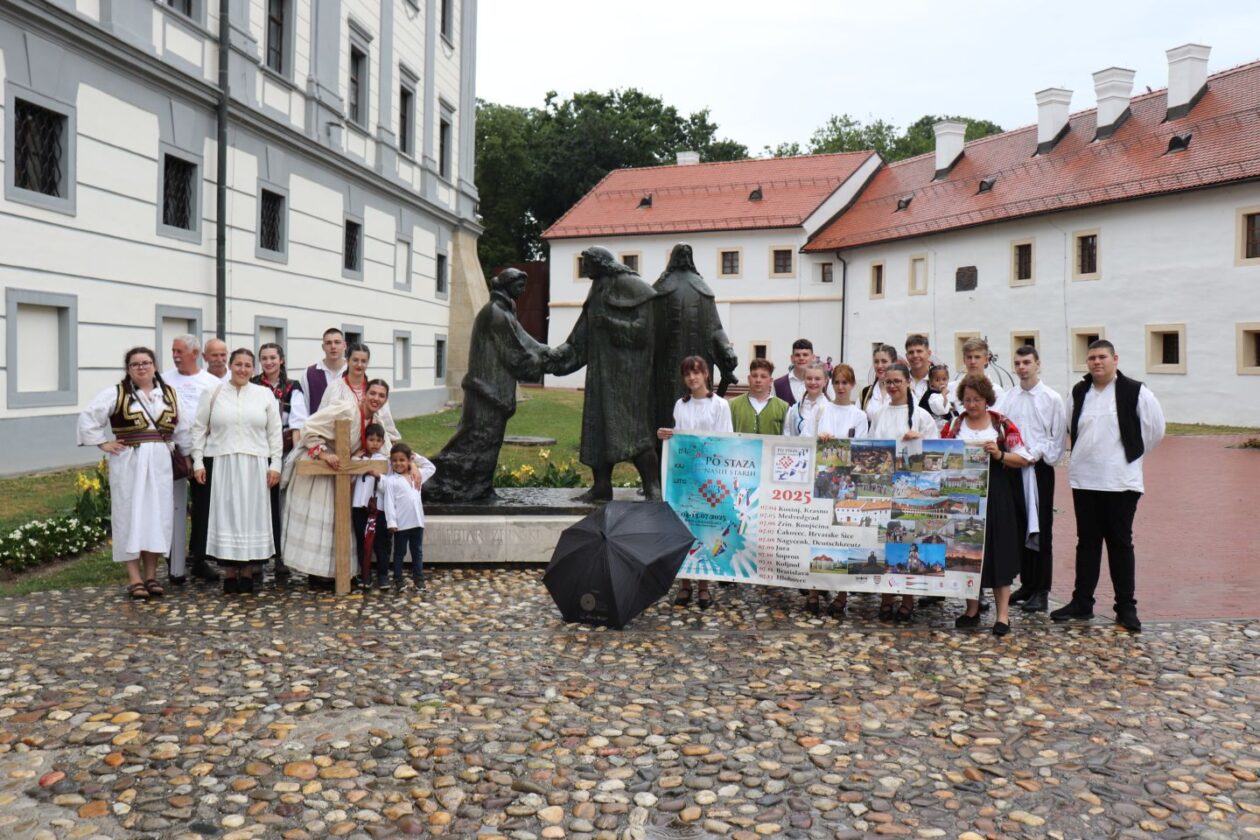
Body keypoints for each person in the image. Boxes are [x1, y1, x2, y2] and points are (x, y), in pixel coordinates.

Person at [1051, 340, 1165, 632]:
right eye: (1091, 358)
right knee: (1087, 543)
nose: (1096, 362)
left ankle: (1126, 607)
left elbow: (1155, 429)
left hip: (1120, 481)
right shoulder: (1079, 392)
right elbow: (1070, 426)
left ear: (1115, 359)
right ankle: (1082, 602)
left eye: (1102, 357)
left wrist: (1129, 456)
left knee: (1120, 543)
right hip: (1085, 479)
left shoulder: (1136, 392)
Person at [425, 268, 550, 502]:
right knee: (475, 442)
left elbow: (525, 341)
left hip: (492, 395)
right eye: (519, 285)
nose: (523, 289)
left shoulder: (505, 311)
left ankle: (478, 489)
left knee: (485, 443)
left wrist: (546, 352)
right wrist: (549, 361)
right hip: (486, 394)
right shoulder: (495, 313)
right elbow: (516, 353)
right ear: (506, 285)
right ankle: (439, 483)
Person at [77, 347, 191, 600]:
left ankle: (151, 576)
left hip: (160, 462)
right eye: (135, 364)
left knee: (157, 516)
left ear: (154, 366)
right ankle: (134, 578)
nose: (141, 367)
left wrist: (189, 456)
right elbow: (89, 417)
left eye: (146, 362)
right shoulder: (116, 393)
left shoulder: (169, 394)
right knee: (129, 515)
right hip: (129, 461)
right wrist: (102, 443)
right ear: (128, 369)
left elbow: (183, 429)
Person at [550, 246, 660, 502]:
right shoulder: (597, 287)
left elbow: (643, 332)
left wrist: (610, 323)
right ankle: (601, 486)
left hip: (627, 377)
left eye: (587, 262)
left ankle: (652, 487)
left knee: (634, 433)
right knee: (597, 430)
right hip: (600, 375)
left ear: (600, 262)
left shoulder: (633, 286)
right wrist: (558, 356)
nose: (583, 267)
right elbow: (583, 331)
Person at [282, 379, 398, 586]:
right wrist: (325, 454)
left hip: (344, 471)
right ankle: (317, 574)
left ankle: (337, 573)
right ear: (365, 394)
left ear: (386, 400)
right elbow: (309, 426)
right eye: (372, 393)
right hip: (322, 467)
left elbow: (389, 452)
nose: (376, 398)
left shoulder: (376, 422)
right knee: (323, 520)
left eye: (381, 396)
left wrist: (412, 465)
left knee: (341, 523)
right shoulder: (346, 410)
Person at [942, 374, 1032, 636]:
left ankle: (1002, 615)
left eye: (977, 400)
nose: (971, 405)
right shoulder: (955, 425)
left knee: (999, 550)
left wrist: (1000, 454)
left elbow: (1023, 458)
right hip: (964, 494)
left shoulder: (1001, 424)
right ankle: (971, 608)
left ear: (987, 400)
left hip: (997, 491)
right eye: (967, 400)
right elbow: (938, 454)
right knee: (967, 550)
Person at [192, 348, 283, 594]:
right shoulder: (213, 392)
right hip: (222, 462)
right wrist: (198, 461)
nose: (243, 369)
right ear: (230, 366)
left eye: (247, 365)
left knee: (251, 518)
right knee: (227, 517)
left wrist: (275, 464)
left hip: (256, 464)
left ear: (253, 369)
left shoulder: (264, 394)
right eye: (238, 364)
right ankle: (230, 572)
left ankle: (248, 571)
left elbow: (275, 432)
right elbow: (199, 428)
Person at [995, 345, 1067, 613]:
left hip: (1038, 469)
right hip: (1013, 466)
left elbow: (1057, 436)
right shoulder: (1009, 398)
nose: (1022, 368)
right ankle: (1027, 583)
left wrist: (1038, 454)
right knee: (1018, 526)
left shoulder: (1051, 398)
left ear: (1038, 364)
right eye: (1017, 363)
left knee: (1041, 527)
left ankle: (1042, 590)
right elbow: (1000, 427)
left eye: (1027, 362)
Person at [658, 356, 733, 610]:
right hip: (684, 477)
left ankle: (703, 585)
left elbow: (726, 440)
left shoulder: (720, 405)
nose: (692, 378)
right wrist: (665, 434)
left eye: (697, 372)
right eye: (687, 374)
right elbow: (678, 436)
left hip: (709, 478)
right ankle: (685, 583)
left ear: (706, 375)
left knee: (706, 529)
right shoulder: (681, 405)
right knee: (684, 528)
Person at [868, 363, 939, 623]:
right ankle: (886, 596)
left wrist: (919, 440)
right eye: (888, 382)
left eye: (897, 381)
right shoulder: (879, 413)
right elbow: (870, 445)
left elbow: (935, 453)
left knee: (908, 542)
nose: (892, 386)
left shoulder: (921, 416)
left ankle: (908, 598)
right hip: (885, 487)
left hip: (910, 489)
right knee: (885, 543)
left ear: (908, 382)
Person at [652, 243, 739, 434]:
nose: (684, 258)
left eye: (687, 254)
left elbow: (716, 327)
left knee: (706, 409)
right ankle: (664, 447)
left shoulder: (702, 288)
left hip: (700, 357)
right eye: (681, 254)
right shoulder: (660, 288)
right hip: (668, 364)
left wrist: (726, 348)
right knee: (668, 408)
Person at [161, 333, 221, 583]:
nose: (175, 356)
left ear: (194, 354)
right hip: (171, 450)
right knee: (170, 504)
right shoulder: (164, 380)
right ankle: (172, 557)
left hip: (205, 450)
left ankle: (199, 557)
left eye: (180, 351)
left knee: (203, 505)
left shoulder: (212, 382)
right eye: (173, 351)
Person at [251, 342, 306, 581]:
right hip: (256, 448)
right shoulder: (252, 384)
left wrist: (296, 455)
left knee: (281, 504)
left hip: (282, 450)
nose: (269, 362)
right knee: (258, 502)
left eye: (273, 357)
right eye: (264, 358)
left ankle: (281, 556)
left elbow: (297, 423)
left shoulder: (292, 387)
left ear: (281, 360)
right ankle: (256, 556)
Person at [382, 442, 437, 591]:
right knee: (400, 553)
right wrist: (391, 522)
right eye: (395, 460)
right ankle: (398, 579)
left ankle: (419, 579)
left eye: (402, 460)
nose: (398, 463)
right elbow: (389, 503)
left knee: (417, 552)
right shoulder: (391, 481)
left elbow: (431, 467)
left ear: (408, 460)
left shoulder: (416, 476)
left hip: (417, 522)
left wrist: (414, 459)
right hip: (401, 524)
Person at [324, 343, 403, 440]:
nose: (359, 365)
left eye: (363, 361)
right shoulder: (335, 387)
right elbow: (324, 420)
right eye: (355, 360)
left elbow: (387, 423)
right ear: (347, 361)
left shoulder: (375, 391)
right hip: (341, 443)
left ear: (367, 363)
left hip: (372, 445)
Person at [351, 424, 392, 587]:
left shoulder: (385, 461)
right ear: (365, 440)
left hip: (378, 508)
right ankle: (365, 574)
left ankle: (383, 575)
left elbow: (388, 486)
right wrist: (355, 459)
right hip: (359, 507)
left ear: (382, 442)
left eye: (378, 440)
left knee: (381, 543)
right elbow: (350, 478)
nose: (374, 443)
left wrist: (378, 476)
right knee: (362, 542)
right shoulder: (359, 459)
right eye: (371, 439)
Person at [931, 337, 1005, 416]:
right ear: (964, 360)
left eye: (977, 357)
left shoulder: (996, 391)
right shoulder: (951, 388)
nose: (973, 361)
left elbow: (996, 419)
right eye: (969, 357)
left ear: (986, 360)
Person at [294, 328, 348, 421]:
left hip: (348, 428)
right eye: (328, 343)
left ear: (344, 345)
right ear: (323, 347)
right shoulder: (309, 373)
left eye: (337, 342)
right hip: (317, 428)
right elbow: (305, 408)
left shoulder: (352, 371)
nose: (333, 346)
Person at [728, 359, 789, 435]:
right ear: (749, 379)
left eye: (763, 377)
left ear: (770, 381)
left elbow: (787, 438)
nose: (758, 380)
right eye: (754, 376)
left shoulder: (783, 408)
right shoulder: (732, 405)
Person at [814, 363, 869, 440]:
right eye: (836, 382)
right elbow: (806, 438)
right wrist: (817, 439)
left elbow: (859, 445)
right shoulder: (820, 410)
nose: (840, 387)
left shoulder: (859, 416)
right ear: (832, 384)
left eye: (844, 383)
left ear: (853, 384)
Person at [773, 338, 830, 405]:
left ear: (813, 358)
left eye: (805, 355)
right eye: (797, 355)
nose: (801, 358)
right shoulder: (777, 384)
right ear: (792, 358)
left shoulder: (827, 383)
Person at [783, 363, 830, 437]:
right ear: (804, 380)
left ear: (825, 382)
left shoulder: (830, 409)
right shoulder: (795, 409)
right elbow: (790, 438)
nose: (813, 382)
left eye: (817, 379)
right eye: (809, 378)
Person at [860, 344, 898, 419]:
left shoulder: (904, 391)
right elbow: (857, 420)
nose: (879, 366)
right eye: (876, 362)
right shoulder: (865, 393)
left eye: (884, 361)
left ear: (894, 363)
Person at [919, 364, 957, 432]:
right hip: (932, 425)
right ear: (931, 382)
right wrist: (943, 395)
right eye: (937, 380)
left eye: (944, 379)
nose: (941, 382)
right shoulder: (931, 394)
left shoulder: (941, 393)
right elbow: (939, 409)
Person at [904, 334, 934, 404]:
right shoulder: (902, 380)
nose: (915, 355)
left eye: (919, 351)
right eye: (911, 352)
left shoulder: (938, 379)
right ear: (906, 356)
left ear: (929, 353)